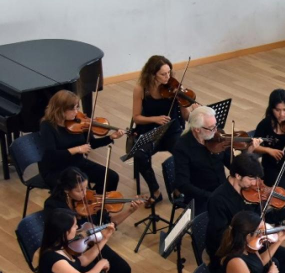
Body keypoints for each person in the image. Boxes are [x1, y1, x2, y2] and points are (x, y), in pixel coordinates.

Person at [205, 152, 285, 273]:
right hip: (233, 249)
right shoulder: (218, 200)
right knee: (272, 264)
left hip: (252, 240)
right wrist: (248, 240)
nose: (255, 183)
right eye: (251, 179)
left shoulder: (251, 193)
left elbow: (261, 218)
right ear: (238, 175)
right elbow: (220, 236)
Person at [44, 167, 143, 273]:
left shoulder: (90, 202)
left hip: (91, 242)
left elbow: (109, 223)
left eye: (86, 188)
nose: (85, 194)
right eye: (80, 190)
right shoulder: (53, 205)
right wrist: (78, 227)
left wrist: (130, 211)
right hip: (70, 250)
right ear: (67, 190)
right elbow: (56, 235)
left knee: (123, 270)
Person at [131, 55, 196, 208]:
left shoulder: (174, 87)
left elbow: (186, 116)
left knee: (183, 154)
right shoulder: (141, 89)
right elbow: (137, 118)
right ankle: (155, 191)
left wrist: (187, 104)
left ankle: (178, 189)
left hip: (171, 130)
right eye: (163, 74)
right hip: (150, 131)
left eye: (169, 73)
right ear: (152, 74)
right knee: (139, 155)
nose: (168, 77)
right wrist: (155, 119)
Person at [173, 106, 261, 214]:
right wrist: (212, 196)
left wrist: (248, 152)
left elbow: (232, 165)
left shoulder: (219, 136)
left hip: (223, 188)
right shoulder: (182, 148)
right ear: (197, 129)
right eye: (211, 128)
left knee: (250, 210)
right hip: (201, 197)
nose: (215, 130)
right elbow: (183, 185)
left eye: (215, 125)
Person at [39, 90, 123, 192]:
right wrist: (77, 149)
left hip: (78, 164)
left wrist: (111, 137)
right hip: (57, 170)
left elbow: (91, 144)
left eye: (77, 107)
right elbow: (51, 155)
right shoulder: (47, 126)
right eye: (72, 109)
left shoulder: (78, 121)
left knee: (112, 177)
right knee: (77, 189)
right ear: (60, 109)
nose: (76, 112)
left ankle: (97, 205)